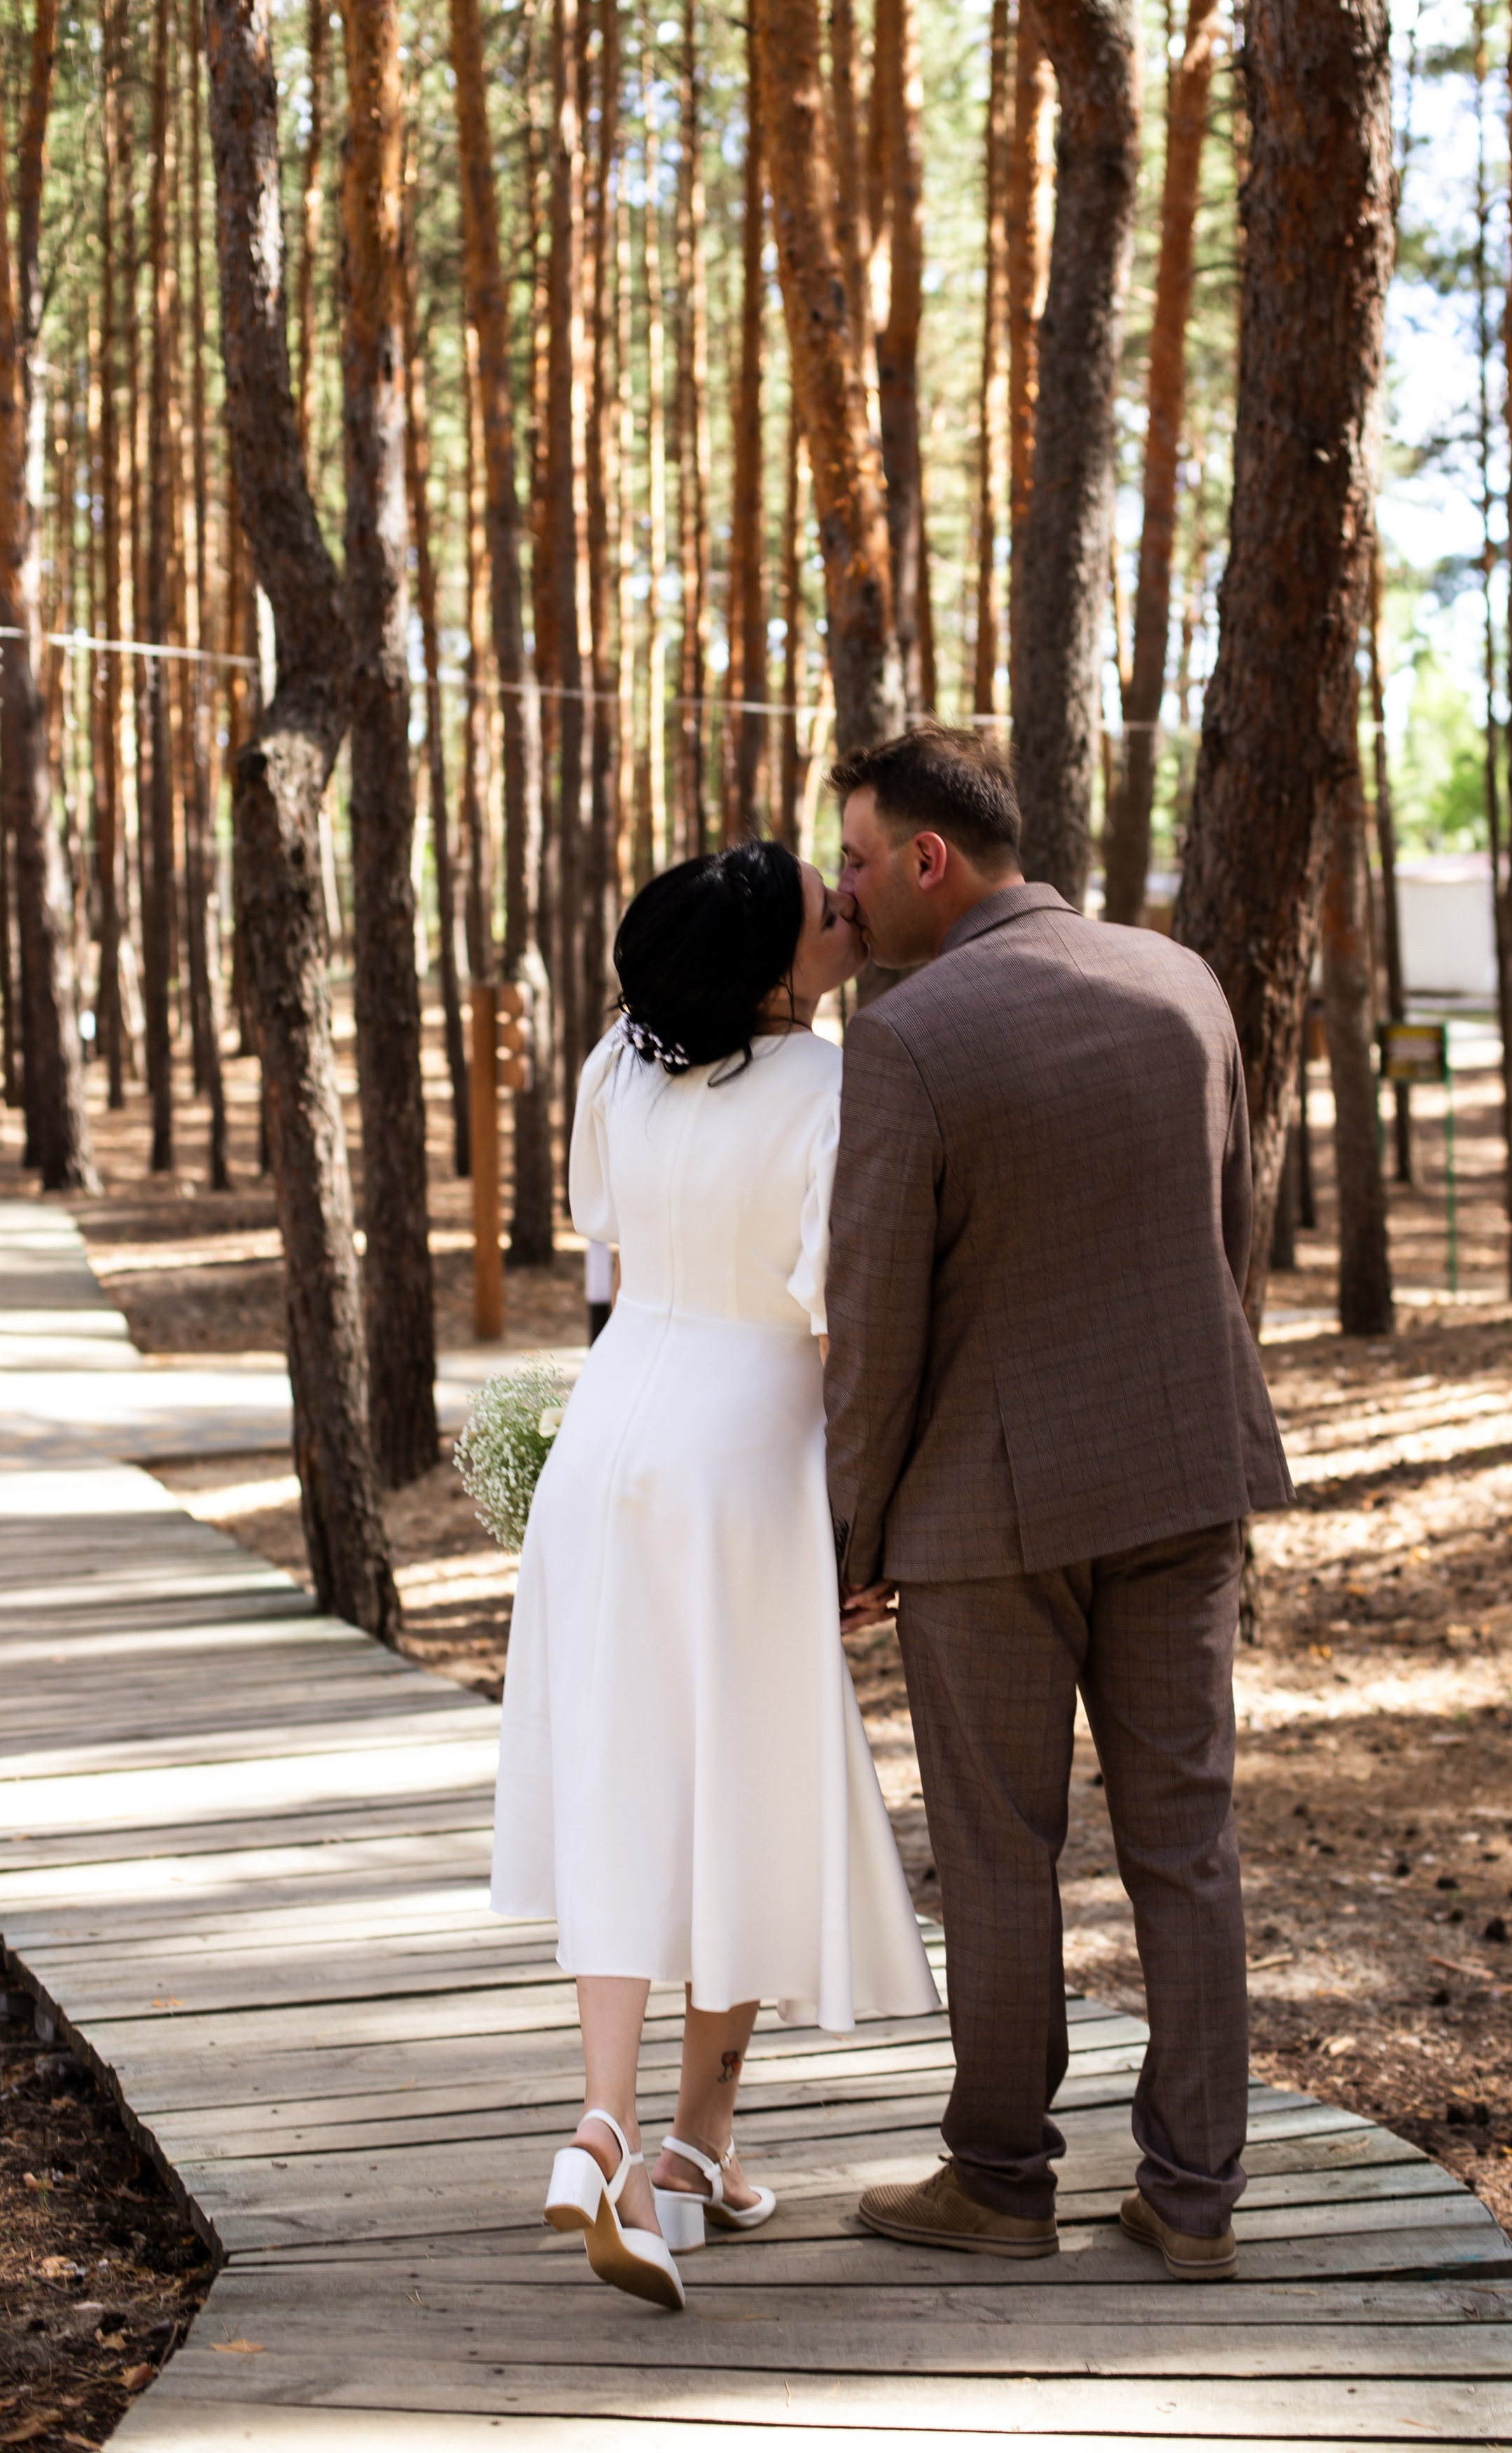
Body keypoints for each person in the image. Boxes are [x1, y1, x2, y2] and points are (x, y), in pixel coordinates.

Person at [825, 725, 1291, 2282]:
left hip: (984, 1517)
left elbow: (875, 1322)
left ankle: (1001, 2181)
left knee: (1001, 1848)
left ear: (928, 860)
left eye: (857, 860)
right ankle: (1194, 2199)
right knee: (1187, 1837)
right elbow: (1228, 1227)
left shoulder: (907, 1038)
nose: (848, 892)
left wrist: (847, 1538)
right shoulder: (1183, 984)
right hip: (1181, 1471)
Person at [491, 837, 940, 2311]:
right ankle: (689, 2145)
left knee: (626, 1777)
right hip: (743, 1451)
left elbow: (605, 1237)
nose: (847, 910)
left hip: (606, 1437)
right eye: (825, 909)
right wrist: (850, 1518)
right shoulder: (833, 1087)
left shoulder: (616, 1064)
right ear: (772, 969)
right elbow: (841, 1323)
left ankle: (608, 2127)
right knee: (739, 1788)